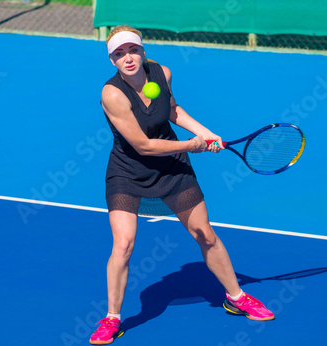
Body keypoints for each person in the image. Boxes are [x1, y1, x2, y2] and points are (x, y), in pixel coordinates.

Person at [89, 25, 274, 345]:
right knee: (124, 244)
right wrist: (191, 145)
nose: (127, 58)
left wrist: (206, 132)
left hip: (172, 169)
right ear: (112, 60)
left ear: (143, 51)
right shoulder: (112, 94)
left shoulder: (161, 73)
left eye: (132, 50)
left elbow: (172, 110)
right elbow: (143, 146)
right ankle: (112, 318)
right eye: (119, 54)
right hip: (128, 172)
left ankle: (236, 297)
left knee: (206, 234)